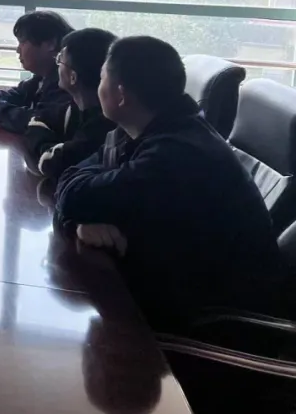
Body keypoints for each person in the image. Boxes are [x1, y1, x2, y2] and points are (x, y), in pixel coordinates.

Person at [54, 36, 285, 328]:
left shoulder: (176, 155)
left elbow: (73, 194)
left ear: (121, 95)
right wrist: (79, 221)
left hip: (208, 322)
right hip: (168, 288)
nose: (98, 87)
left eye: (102, 78)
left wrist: (79, 210)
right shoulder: (144, 131)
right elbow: (71, 184)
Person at [25, 27, 117, 179]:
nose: (57, 66)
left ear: (73, 77)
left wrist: (42, 140)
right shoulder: (73, 107)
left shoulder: (104, 123)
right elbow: (40, 120)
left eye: (60, 60)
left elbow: (54, 163)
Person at [0, 10, 73, 134]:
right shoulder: (40, 78)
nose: (18, 50)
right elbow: (17, 95)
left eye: (23, 42)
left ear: (50, 44)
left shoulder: (65, 82)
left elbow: (38, 121)